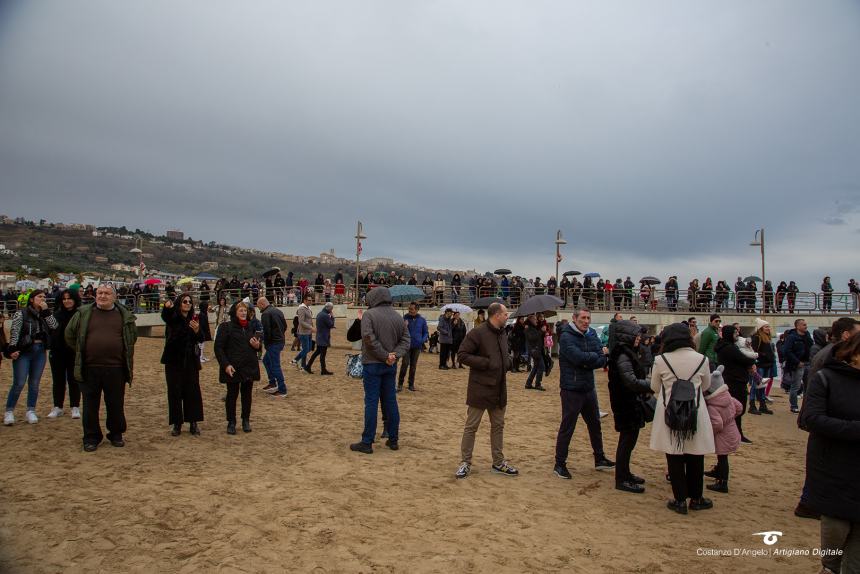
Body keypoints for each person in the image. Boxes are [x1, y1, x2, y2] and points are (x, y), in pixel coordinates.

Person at [799, 332, 860, 574]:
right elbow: (812, 419)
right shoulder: (826, 378)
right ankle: (830, 567)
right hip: (833, 464)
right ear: (853, 353)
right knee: (836, 527)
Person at [649, 323, 714, 514]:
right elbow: (706, 385)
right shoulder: (702, 359)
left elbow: (654, 386)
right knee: (696, 454)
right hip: (695, 409)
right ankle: (696, 498)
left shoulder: (661, 359)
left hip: (670, 409)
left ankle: (679, 500)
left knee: (674, 455)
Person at [64, 284, 137, 452]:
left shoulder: (124, 315)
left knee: (115, 404)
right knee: (90, 404)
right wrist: (83, 349)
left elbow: (132, 337)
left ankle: (116, 434)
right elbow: (70, 334)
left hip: (116, 367)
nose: (102, 296)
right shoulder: (83, 313)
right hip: (89, 367)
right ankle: (91, 437)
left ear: (114, 297)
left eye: (107, 293)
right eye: (100, 293)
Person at [454, 302, 517, 479]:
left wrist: (508, 361)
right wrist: (487, 363)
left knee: (498, 426)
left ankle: (498, 462)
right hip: (480, 388)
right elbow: (462, 355)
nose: (507, 316)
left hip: (499, 388)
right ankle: (465, 462)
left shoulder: (503, 333)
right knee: (471, 426)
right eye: (505, 314)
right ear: (497, 315)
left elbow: (504, 355)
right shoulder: (478, 332)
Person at [554, 308, 615, 480]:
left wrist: (593, 359)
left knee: (595, 425)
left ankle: (599, 458)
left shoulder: (592, 334)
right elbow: (578, 358)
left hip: (588, 387)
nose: (586, 321)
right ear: (574, 318)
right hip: (571, 389)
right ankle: (559, 463)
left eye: (588, 318)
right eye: (583, 318)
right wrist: (595, 357)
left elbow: (602, 359)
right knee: (568, 427)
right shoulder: (566, 336)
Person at [349, 287, 410, 454]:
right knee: (390, 401)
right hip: (390, 365)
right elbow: (406, 340)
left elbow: (368, 339)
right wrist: (394, 356)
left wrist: (385, 356)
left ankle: (367, 441)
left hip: (373, 363)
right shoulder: (398, 316)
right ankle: (393, 439)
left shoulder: (369, 314)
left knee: (371, 402)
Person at [607, 320, 653, 494]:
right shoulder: (623, 355)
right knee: (626, 442)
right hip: (625, 403)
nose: (639, 338)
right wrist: (651, 384)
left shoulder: (627, 353)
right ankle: (621, 478)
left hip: (629, 402)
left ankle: (625, 473)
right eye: (636, 334)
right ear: (628, 335)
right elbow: (630, 381)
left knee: (629, 441)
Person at [4, 289, 59, 425]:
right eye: (40, 297)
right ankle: (9, 411)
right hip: (24, 350)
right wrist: (13, 348)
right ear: (32, 299)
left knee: (34, 383)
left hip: (40, 351)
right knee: (19, 383)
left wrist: (46, 312)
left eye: (44, 297)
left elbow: (54, 326)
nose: (43, 299)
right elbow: (15, 332)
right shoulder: (21, 313)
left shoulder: (45, 313)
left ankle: (31, 410)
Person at [160, 294, 205, 436]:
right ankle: (177, 424)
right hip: (174, 360)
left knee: (192, 391)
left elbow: (202, 338)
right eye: (185, 301)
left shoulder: (195, 319)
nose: (188, 304)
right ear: (179, 303)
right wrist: (167, 307)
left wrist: (197, 330)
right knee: (175, 392)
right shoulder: (173, 318)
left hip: (191, 360)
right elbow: (166, 316)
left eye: (190, 302)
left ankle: (193, 422)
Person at [214, 302, 261, 434]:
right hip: (233, 367)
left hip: (249, 366)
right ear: (235, 312)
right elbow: (218, 348)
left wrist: (258, 346)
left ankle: (245, 420)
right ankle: (231, 422)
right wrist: (225, 365)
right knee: (232, 395)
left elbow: (257, 346)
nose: (243, 313)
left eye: (245, 311)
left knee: (247, 395)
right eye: (241, 310)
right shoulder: (226, 327)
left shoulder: (250, 327)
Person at [715, 324, 757, 443]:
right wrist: (752, 362)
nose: (737, 334)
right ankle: (737, 434)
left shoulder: (726, 346)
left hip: (733, 380)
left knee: (736, 409)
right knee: (738, 409)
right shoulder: (729, 348)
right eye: (735, 333)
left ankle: (736, 433)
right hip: (734, 381)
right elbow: (743, 359)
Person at [703, 366, 742, 493]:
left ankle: (722, 482)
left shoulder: (712, 406)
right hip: (732, 431)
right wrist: (730, 418)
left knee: (722, 457)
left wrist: (709, 433)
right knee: (722, 457)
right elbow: (739, 407)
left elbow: (717, 424)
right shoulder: (728, 398)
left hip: (722, 436)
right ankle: (718, 472)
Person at [47, 289, 82, 420]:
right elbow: (52, 329)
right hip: (57, 352)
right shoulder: (56, 314)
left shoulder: (80, 314)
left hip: (73, 352)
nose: (67, 301)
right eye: (64, 299)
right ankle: (58, 407)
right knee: (58, 380)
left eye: (69, 298)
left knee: (74, 380)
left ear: (74, 299)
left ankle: (75, 407)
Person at [256, 297, 288, 396]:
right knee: (266, 361)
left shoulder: (265, 314)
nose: (259, 309)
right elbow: (285, 326)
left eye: (258, 306)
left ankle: (282, 390)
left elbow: (267, 331)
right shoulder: (278, 311)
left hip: (273, 343)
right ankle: (272, 383)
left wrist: (266, 342)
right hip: (280, 341)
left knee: (275, 366)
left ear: (262, 304)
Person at [784, 318, 813, 414]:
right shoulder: (792, 337)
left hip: (808, 363)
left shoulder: (807, 335)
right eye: (804, 325)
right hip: (798, 365)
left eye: (806, 324)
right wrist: (797, 362)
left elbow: (811, 347)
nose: (806, 326)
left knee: (808, 386)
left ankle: (806, 406)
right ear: (798, 326)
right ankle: (794, 406)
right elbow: (787, 351)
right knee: (795, 386)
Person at [398, 302, 428, 391]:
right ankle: (400, 383)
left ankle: (411, 384)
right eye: (409, 309)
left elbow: (425, 332)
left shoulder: (422, 320)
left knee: (413, 366)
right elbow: (399, 331)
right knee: (405, 364)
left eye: (412, 309)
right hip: (406, 345)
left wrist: (422, 340)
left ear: (417, 309)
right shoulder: (404, 318)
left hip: (417, 346)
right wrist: (404, 325)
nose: (410, 310)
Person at [748, 319, 775, 415]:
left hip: (767, 365)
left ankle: (762, 405)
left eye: (768, 326)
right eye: (766, 327)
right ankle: (752, 405)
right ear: (760, 328)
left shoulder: (767, 337)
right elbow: (753, 351)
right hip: (760, 365)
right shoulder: (757, 337)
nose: (768, 328)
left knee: (763, 385)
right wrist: (763, 355)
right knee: (755, 385)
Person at [306, 302, 335, 375]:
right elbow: (331, 325)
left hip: (320, 336)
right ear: (328, 308)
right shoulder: (325, 315)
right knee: (322, 355)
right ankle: (323, 370)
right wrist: (332, 317)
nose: (332, 310)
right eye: (331, 309)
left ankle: (308, 366)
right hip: (323, 337)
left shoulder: (320, 314)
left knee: (316, 353)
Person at [291, 292, 315, 370]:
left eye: (311, 300)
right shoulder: (301, 308)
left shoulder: (308, 308)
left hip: (308, 331)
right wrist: (311, 327)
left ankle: (302, 365)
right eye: (309, 300)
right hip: (303, 332)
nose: (311, 301)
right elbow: (301, 321)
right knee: (306, 349)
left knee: (308, 348)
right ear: (304, 300)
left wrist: (312, 327)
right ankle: (295, 360)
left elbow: (309, 319)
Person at [524, 314, 546, 391]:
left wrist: (542, 331)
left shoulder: (532, 327)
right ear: (530, 320)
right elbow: (532, 338)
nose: (536, 320)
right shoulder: (528, 328)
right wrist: (540, 331)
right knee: (541, 367)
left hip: (536, 350)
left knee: (536, 367)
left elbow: (537, 336)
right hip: (534, 350)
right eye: (535, 319)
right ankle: (537, 384)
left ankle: (528, 383)